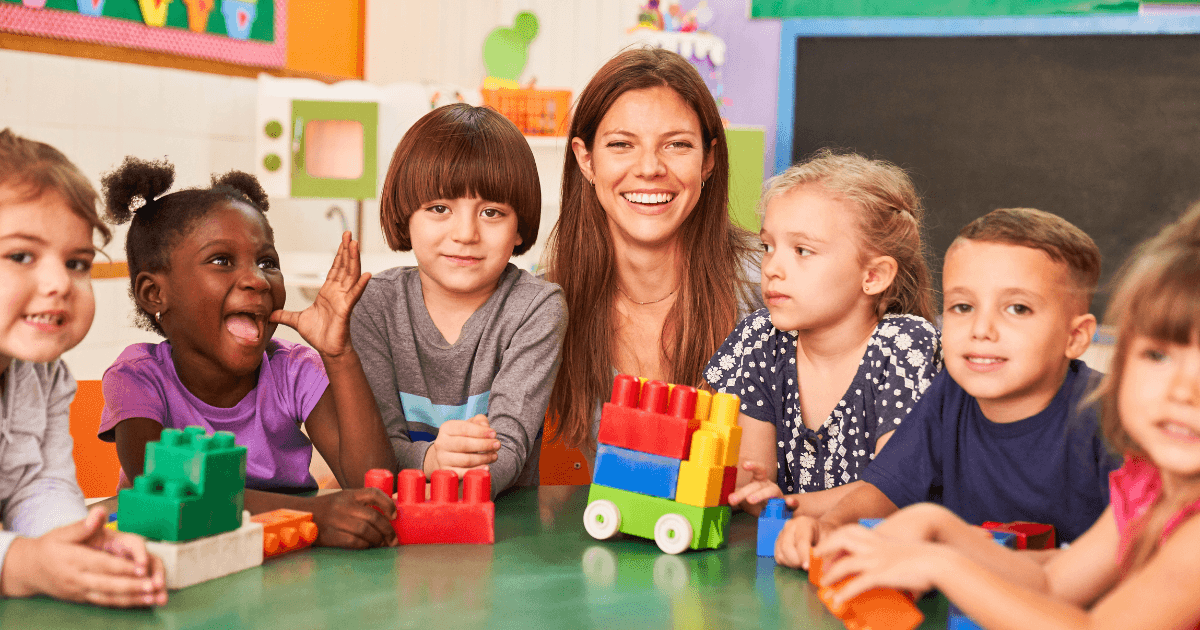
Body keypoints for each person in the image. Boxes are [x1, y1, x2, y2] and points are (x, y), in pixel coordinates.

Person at [813, 206, 1200, 630]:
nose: (1181, 391)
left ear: (1077, 337)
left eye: (1017, 308)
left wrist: (942, 565)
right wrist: (936, 525)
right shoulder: (1147, 489)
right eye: (1157, 355)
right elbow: (1050, 585)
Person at [775, 208, 1121, 568]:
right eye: (962, 306)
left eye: (1017, 308)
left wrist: (970, 562)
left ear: (1076, 336)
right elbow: (884, 489)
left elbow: (1133, 555)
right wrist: (828, 525)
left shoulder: (1112, 415)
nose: (981, 329)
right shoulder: (949, 395)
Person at [98, 157, 398, 549]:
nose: (257, 279)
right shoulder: (138, 377)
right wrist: (313, 516)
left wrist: (338, 355)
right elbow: (157, 488)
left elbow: (373, 484)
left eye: (267, 262)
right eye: (221, 260)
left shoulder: (292, 370)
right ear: (156, 294)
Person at [543, 47, 760, 461]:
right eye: (622, 144)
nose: (649, 168)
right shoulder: (546, 305)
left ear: (708, 159)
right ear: (585, 159)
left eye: (676, 145)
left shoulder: (767, 287)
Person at [704, 150, 941, 516]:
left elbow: (892, 491)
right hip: (782, 557)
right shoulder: (759, 338)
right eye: (768, 246)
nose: (773, 268)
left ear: (873, 276)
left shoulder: (905, 344)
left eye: (802, 250)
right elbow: (754, 480)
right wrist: (755, 495)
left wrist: (785, 507)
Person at [351, 103, 566, 495]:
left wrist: (454, 468)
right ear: (406, 215)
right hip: (396, 529)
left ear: (519, 227)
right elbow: (375, 455)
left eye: (491, 212)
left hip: (505, 532)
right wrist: (432, 460)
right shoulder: (373, 306)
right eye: (439, 208)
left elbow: (510, 449)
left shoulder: (538, 307)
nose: (465, 233)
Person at [0, 129, 167, 607]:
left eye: (77, 262)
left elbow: (38, 485)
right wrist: (22, 564)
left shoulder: (42, 374)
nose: (58, 282)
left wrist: (78, 544)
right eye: (20, 256)